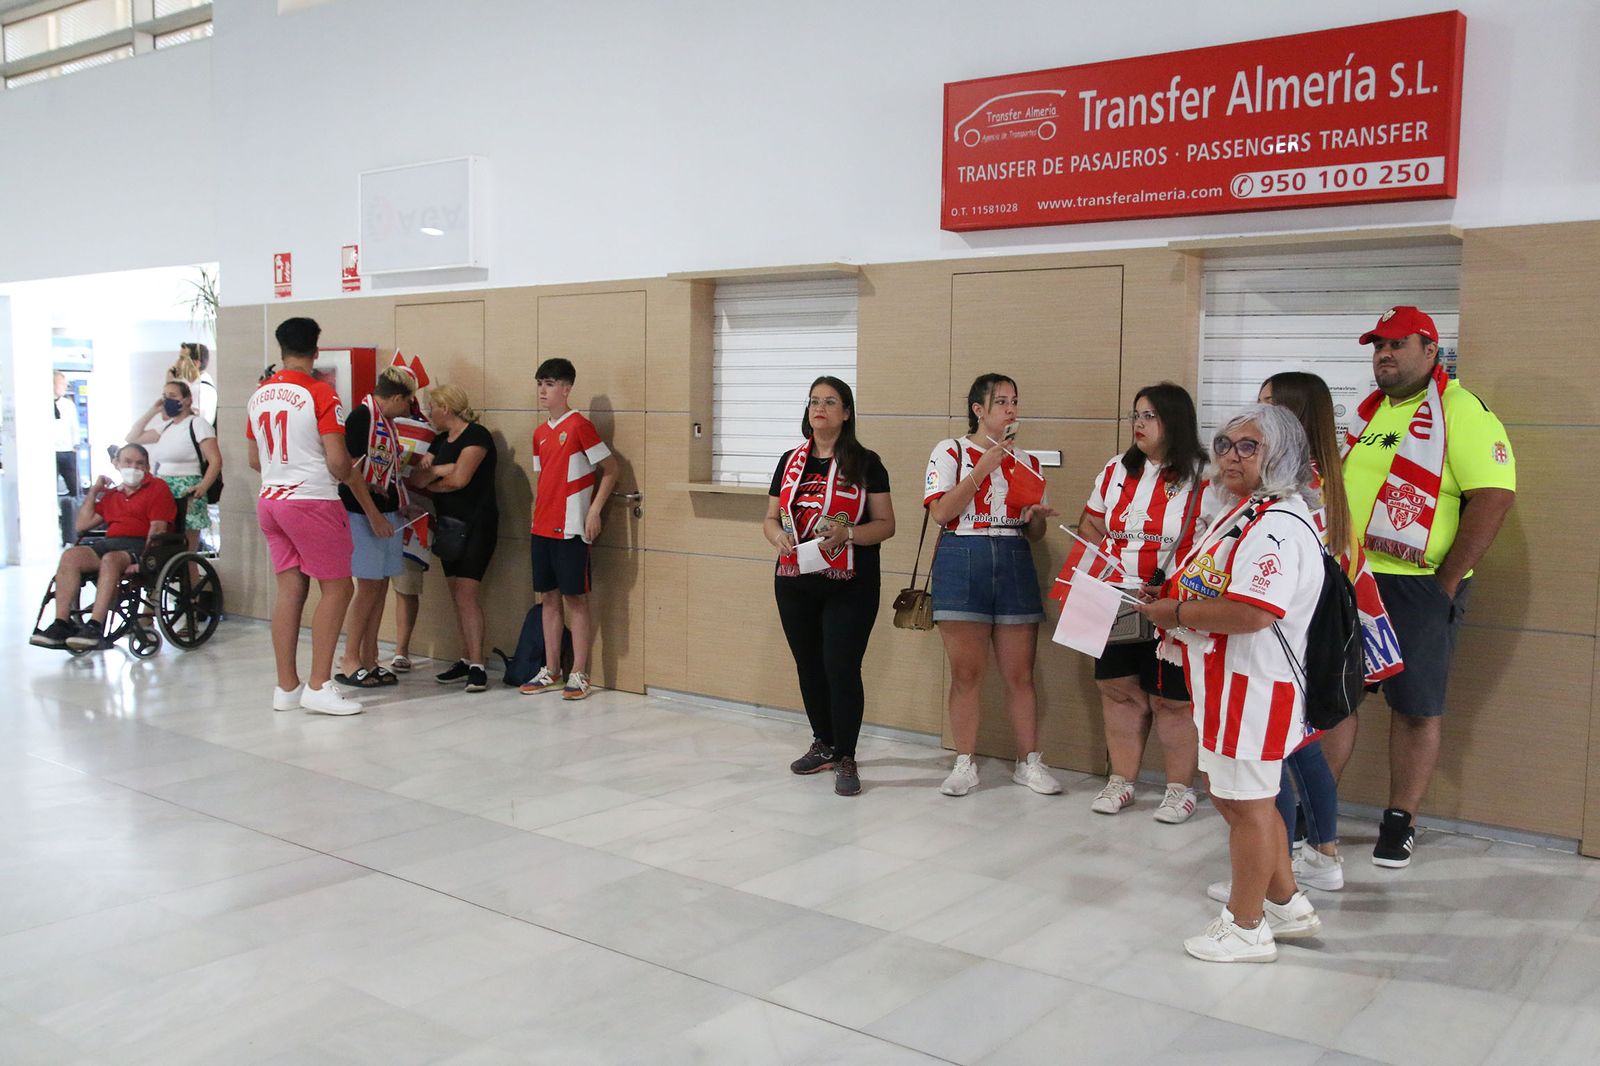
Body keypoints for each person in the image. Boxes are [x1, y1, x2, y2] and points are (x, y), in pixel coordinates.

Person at [1137, 404, 1325, 963]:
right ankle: (1285, 903)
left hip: (1255, 683)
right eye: (1224, 444)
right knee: (1239, 795)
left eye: (1249, 446)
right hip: (1229, 680)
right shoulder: (1250, 511)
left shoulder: (1274, 525)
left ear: (1282, 455)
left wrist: (1177, 614)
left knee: (1246, 803)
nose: (1231, 457)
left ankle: (1245, 927)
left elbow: (1253, 612)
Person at [1341, 306, 1516, 868]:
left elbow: (1493, 496)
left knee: (1415, 708)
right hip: (1353, 580)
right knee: (1338, 699)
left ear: (1430, 351)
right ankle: (1314, 811)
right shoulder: (1370, 415)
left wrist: (1443, 587)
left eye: (1396, 344)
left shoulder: (1461, 410)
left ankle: (1400, 821)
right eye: (1377, 346)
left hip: (1417, 589)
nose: (1384, 354)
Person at [924, 373, 1062, 797]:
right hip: (963, 551)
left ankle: (1029, 762)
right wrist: (983, 466)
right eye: (1000, 401)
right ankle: (964, 762)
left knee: (1020, 672)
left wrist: (1036, 516)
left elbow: (1033, 533)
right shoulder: (950, 450)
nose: (1010, 409)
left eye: (1014, 401)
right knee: (967, 671)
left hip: (1013, 552)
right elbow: (942, 513)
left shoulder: (1027, 461)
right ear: (978, 410)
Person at [1074, 382, 1207, 823]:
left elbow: (1218, 540)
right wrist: (1108, 560)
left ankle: (1178, 789)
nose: (1139, 423)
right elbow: (1090, 522)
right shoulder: (1116, 469)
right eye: (1136, 415)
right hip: (1114, 594)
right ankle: (1122, 780)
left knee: (1173, 698)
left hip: (1175, 599)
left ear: (1175, 420)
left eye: (1149, 415)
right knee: (1118, 690)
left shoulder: (1203, 474)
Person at [764, 376, 896, 796]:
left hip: (850, 582)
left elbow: (886, 525)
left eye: (830, 401)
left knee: (840, 666)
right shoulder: (790, 460)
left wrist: (849, 534)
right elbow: (770, 518)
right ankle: (823, 742)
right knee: (809, 665)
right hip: (795, 578)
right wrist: (777, 537)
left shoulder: (865, 462)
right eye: (813, 401)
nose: (819, 408)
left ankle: (847, 756)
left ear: (846, 412)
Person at [247, 317, 361, 716]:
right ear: (316, 351)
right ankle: (319, 684)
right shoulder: (321, 393)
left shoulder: (259, 395)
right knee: (338, 588)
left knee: (290, 590)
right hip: (311, 500)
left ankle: (286, 687)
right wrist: (347, 467)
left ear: (281, 350)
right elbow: (338, 462)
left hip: (271, 501)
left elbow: (252, 457)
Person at [516, 358, 619, 702]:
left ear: (566, 388)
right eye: (539, 383)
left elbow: (610, 469)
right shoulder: (539, 433)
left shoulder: (579, 426)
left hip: (571, 529)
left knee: (575, 598)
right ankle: (552, 671)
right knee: (548, 598)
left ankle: (579, 672)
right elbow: (544, 478)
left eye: (549, 383)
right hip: (541, 527)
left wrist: (594, 510)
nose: (542, 391)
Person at [31, 444, 175, 651]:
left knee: (110, 560)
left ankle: (95, 626)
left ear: (147, 467)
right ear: (116, 464)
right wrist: (93, 492)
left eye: (139, 463)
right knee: (71, 556)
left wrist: (144, 560)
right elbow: (81, 525)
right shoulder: (112, 494)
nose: (133, 467)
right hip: (110, 544)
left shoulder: (157, 487)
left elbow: (158, 529)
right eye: (127, 462)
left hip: (141, 545)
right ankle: (61, 624)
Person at [333, 366, 419, 688]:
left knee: (380, 585)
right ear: (396, 397)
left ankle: (370, 659)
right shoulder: (361, 418)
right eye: (408, 403)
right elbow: (351, 474)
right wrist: (373, 515)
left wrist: (400, 504)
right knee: (367, 586)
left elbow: (385, 474)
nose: (410, 410)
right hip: (361, 514)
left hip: (385, 512)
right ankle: (350, 657)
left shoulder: (388, 424)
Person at [414, 383, 498, 692]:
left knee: (466, 593)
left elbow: (460, 480)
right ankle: (465, 657)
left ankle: (477, 664)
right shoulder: (439, 441)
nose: (429, 413)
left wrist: (440, 475)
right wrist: (443, 469)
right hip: (449, 525)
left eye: (432, 407)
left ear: (445, 408)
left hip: (477, 524)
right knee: (456, 594)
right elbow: (418, 479)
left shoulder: (477, 436)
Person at [125, 380, 222, 554]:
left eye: (172, 396)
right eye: (164, 397)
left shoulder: (197, 424)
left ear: (186, 400)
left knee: (186, 549)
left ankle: (191, 580)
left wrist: (203, 487)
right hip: (163, 488)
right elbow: (133, 437)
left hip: (188, 488)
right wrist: (154, 410)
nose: (167, 401)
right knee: (162, 546)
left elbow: (215, 461)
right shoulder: (167, 426)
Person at [53, 371, 81, 498]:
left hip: (67, 451)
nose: (64, 386)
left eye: (65, 384)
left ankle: (79, 512)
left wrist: (76, 445)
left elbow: (74, 426)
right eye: (61, 383)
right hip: (51, 452)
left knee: (75, 486)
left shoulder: (68, 405)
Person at [183, 342, 219, 425]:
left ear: (195, 364)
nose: (177, 363)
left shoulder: (199, 389)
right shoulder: (203, 386)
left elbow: (194, 426)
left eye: (182, 359)